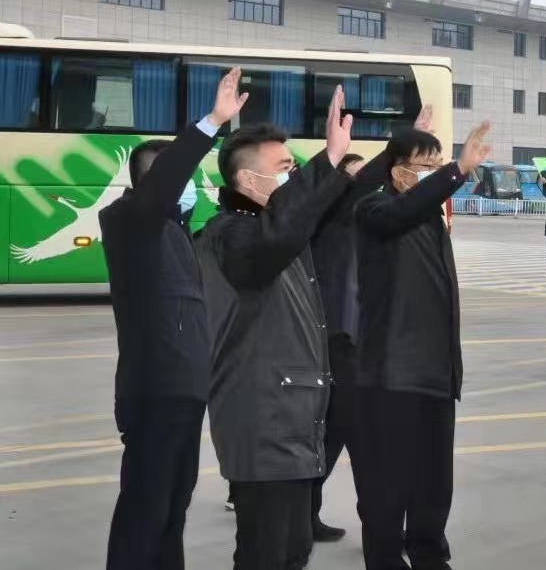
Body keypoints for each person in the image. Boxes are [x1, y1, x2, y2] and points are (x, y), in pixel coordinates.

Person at [197, 87, 353, 570]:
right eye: (285, 167)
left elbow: (299, 220)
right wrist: (328, 160)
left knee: (293, 550)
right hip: (263, 421)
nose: (293, 175)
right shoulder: (231, 235)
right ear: (248, 178)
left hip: (292, 422)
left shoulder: (271, 230)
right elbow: (279, 236)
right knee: (266, 553)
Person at [100, 68, 248, 570]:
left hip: (186, 391)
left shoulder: (178, 233)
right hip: (156, 391)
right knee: (146, 509)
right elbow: (162, 188)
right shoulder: (130, 223)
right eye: (180, 180)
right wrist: (211, 124)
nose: (190, 190)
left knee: (172, 507)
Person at [354, 121, 491, 570]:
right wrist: (455, 170)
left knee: (434, 481)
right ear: (398, 172)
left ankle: (430, 555)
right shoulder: (373, 211)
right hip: (392, 371)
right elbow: (400, 213)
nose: (435, 172)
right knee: (388, 483)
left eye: (438, 164)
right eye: (426, 166)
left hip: (435, 369)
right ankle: (385, 559)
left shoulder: (429, 218)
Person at [310, 107, 434, 543]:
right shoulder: (330, 220)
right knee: (343, 437)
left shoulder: (374, 221)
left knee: (366, 445)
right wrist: (401, 145)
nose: (369, 183)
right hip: (342, 343)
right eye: (356, 177)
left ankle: (379, 529)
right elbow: (362, 183)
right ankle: (313, 515)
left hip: (371, 343)